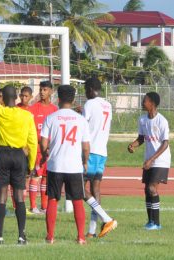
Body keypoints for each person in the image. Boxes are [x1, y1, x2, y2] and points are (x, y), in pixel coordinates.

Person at [0, 51, 37, 245]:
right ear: (16, 97)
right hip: (19, 155)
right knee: (19, 196)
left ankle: (0, 235)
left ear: (4, 97)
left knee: (1, 195)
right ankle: (21, 235)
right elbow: (33, 142)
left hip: (2, 154)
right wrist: (31, 163)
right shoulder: (26, 116)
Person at [40, 85, 90, 245]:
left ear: (58, 98)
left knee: (52, 200)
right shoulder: (80, 119)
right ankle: (81, 236)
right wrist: (85, 161)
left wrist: (45, 153)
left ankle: (50, 236)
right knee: (77, 201)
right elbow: (86, 146)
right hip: (74, 166)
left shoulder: (51, 117)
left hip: (55, 165)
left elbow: (43, 142)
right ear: (73, 99)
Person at [128, 92, 171, 230]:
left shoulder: (162, 121)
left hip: (161, 160)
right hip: (149, 160)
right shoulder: (142, 120)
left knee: (152, 188)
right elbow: (141, 138)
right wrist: (132, 145)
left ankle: (157, 223)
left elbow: (165, 143)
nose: (142, 102)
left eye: (144, 100)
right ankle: (150, 222)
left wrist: (151, 159)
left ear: (152, 103)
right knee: (147, 190)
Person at [82, 78, 117, 238]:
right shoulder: (107, 105)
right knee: (96, 189)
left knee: (79, 188)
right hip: (102, 151)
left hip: (90, 150)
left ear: (90, 89)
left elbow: (83, 126)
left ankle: (107, 218)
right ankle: (91, 231)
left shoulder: (89, 104)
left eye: (85, 90)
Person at [28, 81, 57, 214]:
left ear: (51, 91)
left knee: (46, 177)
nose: (42, 92)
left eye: (45, 90)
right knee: (35, 176)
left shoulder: (55, 110)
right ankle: (33, 206)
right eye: (41, 90)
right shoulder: (33, 109)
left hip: (51, 151)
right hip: (37, 150)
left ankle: (44, 207)